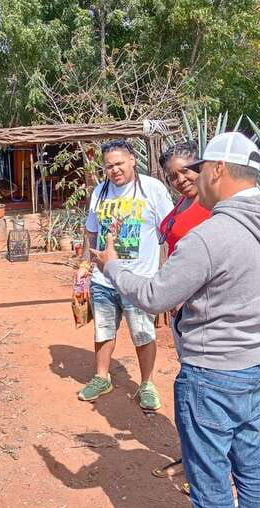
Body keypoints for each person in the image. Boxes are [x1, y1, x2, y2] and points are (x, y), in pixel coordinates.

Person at [92, 132, 260, 508]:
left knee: (208, 474)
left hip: (210, 373)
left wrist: (111, 265)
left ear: (217, 171)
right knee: (249, 462)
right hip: (256, 367)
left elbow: (154, 297)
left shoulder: (211, 236)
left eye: (199, 169)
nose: (192, 180)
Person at [76, 140, 173, 408]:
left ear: (132, 160)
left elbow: (169, 231)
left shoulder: (153, 190)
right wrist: (86, 264)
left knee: (143, 333)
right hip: (103, 279)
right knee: (103, 330)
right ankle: (101, 377)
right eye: (109, 166)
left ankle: (147, 383)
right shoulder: (100, 191)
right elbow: (92, 231)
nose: (115, 170)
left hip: (138, 281)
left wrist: (167, 274)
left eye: (119, 163)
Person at [158, 141, 211, 255]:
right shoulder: (184, 199)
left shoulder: (212, 204)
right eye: (173, 177)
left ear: (200, 167)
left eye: (185, 171)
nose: (181, 180)